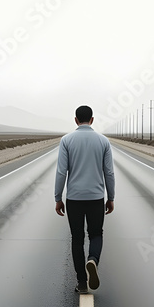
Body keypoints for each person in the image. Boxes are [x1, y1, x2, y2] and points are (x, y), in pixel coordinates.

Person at [54, 105, 115, 293]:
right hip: (96, 198)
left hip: (74, 199)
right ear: (92, 120)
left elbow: (61, 172)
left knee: (77, 239)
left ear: (75, 120)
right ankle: (93, 260)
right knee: (96, 234)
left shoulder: (66, 140)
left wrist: (58, 198)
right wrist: (111, 197)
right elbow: (109, 172)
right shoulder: (103, 141)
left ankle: (81, 282)